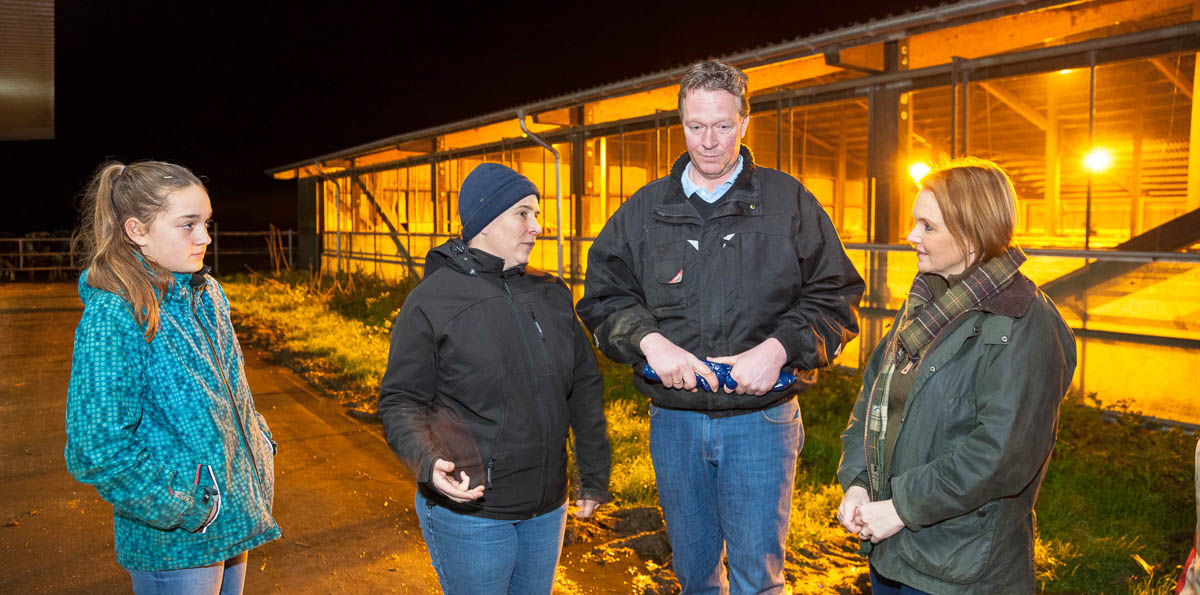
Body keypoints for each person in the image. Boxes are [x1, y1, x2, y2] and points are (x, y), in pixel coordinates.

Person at [577, 60, 865, 594]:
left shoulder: (788, 204)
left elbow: (836, 296)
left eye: (723, 125)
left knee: (758, 578)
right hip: (676, 422)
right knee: (693, 575)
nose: (708, 141)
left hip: (761, 422)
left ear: (745, 122)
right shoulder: (645, 211)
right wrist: (649, 340)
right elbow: (602, 296)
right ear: (680, 123)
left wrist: (779, 349)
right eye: (695, 126)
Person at [835, 158, 1077, 594]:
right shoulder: (926, 304)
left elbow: (1000, 456)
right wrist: (856, 483)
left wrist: (902, 507)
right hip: (893, 550)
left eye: (928, 226)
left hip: (962, 568)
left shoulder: (1024, 325)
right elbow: (875, 398)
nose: (911, 237)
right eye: (916, 223)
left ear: (971, 235)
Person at [379, 163, 611, 595]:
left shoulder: (550, 293)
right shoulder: (432, 300)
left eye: (536, 214)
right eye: (522, 214)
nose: (536, 227)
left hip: (547, 508)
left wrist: (594, 472)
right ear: (484, 221)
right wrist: (428, 464)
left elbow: (584, 386)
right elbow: (400, 401)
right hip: (471, 510)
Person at [65, 161, 280, 594]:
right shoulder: (114, 314)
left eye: (206, 222)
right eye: (187, 225)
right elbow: (96, 449)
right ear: (136, 231)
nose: (205, 237)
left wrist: (261, 443)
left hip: (234, 515)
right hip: (176, 541)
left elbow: (233, 392)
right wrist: (188, 507)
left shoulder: (206, 293)